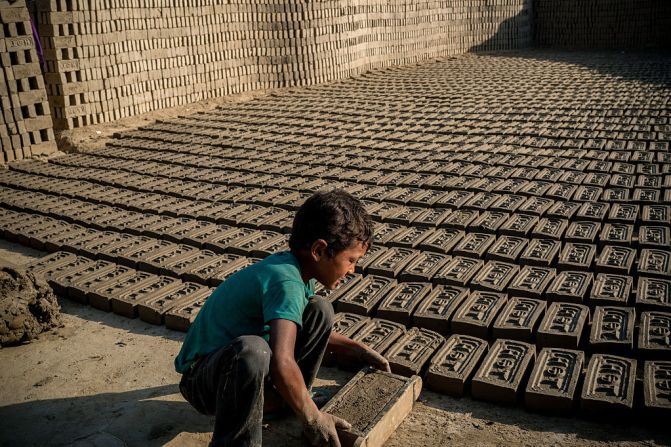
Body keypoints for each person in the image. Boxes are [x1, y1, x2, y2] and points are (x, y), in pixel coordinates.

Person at [175, 189, 390, 447]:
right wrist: (314, 418)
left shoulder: (297, 271)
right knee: (254, 352)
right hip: (203, 381)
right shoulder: (286, 281)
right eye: (351, 260)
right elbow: (281, 360)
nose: (353, 270)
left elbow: (294, 327)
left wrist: (358, 349)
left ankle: (288, 401)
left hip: (233, 369)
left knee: (319, 310)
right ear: (319, 250)